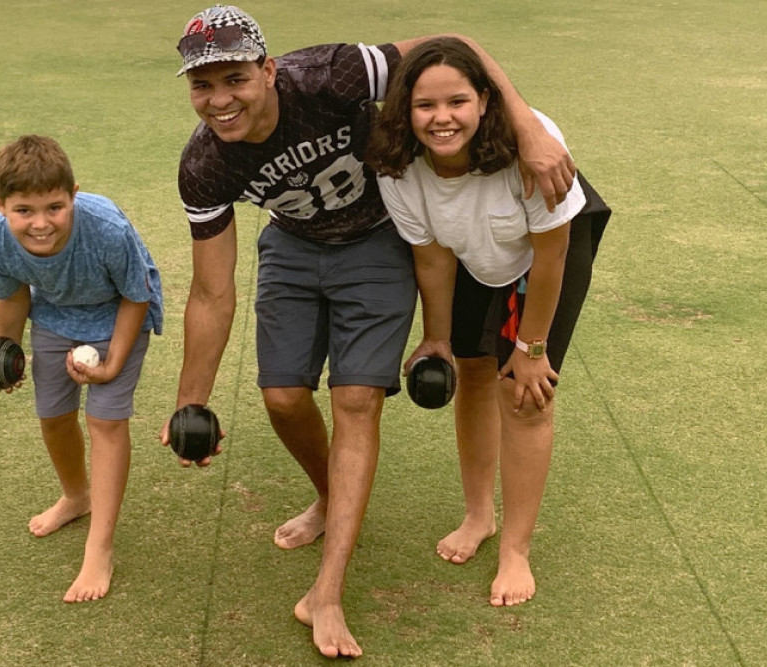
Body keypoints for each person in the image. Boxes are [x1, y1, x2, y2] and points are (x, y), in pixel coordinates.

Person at [165, 5, 576, 658]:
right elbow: (212, 291)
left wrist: (523, 121)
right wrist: (191, 398)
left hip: (378, 243)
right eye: (202, 86)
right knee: (283, 397)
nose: (221, 100)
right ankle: (335, 497)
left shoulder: (331, 74)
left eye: (235, 79)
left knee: (363, 399)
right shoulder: (204, 164)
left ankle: (327, 591)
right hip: (298, 247)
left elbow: (452, 43)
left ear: (268, 71)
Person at [368, 37, 609, 607]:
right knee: (473, 372)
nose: (442, 118)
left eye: (457, 101)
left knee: (524, 393)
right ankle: (479, 516)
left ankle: (516, 550)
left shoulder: (530, 155)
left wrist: (531, 347)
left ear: (483, 99)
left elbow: (550, 255)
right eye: (425, 105)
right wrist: (436, 337)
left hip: (540, 258)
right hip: (468, 253)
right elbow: (431, 257)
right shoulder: (397, 168)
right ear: (405, 111)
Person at [0, 134, 163, 602]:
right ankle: (76, 496)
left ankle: (99, 547)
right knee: (54, 417)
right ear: (0, 204)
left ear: (73, 195)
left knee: (103, 420)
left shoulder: (106, 229)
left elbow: (136, 296)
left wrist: (114, 362)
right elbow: (15, 294)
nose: (41, 224)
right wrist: (9, 354)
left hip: (119, 317)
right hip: (56, 317)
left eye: (54, 208)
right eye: (24, 211)